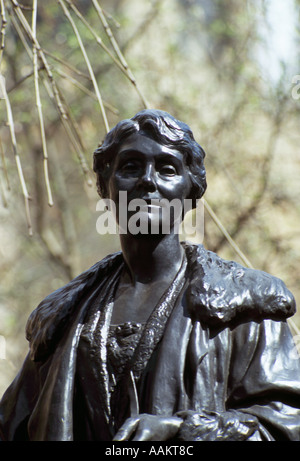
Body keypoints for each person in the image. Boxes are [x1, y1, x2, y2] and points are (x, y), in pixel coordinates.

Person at [0, 109, 300, 441]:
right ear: (106, 185)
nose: (148, 180)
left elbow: (286, 427)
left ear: (190, 191)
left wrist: (180, 433)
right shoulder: (62, 318)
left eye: (167, 169)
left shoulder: (247, 305)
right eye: (130, 166)